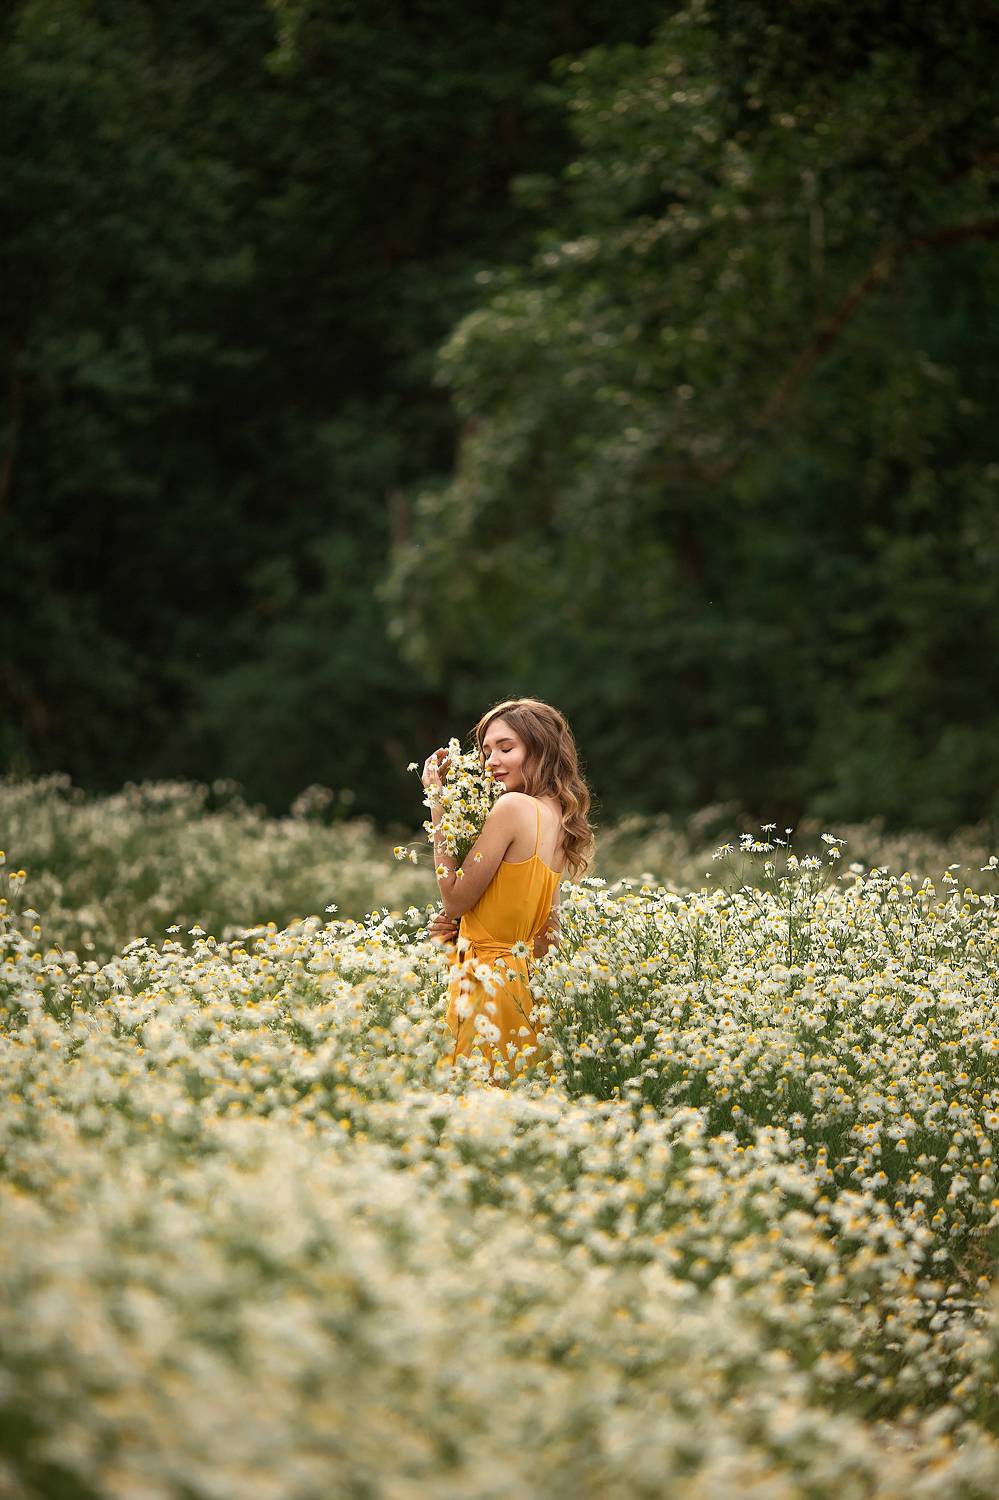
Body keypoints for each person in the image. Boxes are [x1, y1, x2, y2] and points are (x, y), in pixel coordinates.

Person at [421, 697, 594, 1086]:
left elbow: (454, 898)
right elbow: (547, 937)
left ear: (540, 750)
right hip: (522, 989)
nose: (491, 761)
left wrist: (437, 803)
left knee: (473, 1100)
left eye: (506, 748)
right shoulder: (559, 820)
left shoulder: (513, 807)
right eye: (486, 751)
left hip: (486, 988)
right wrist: (466, 931)